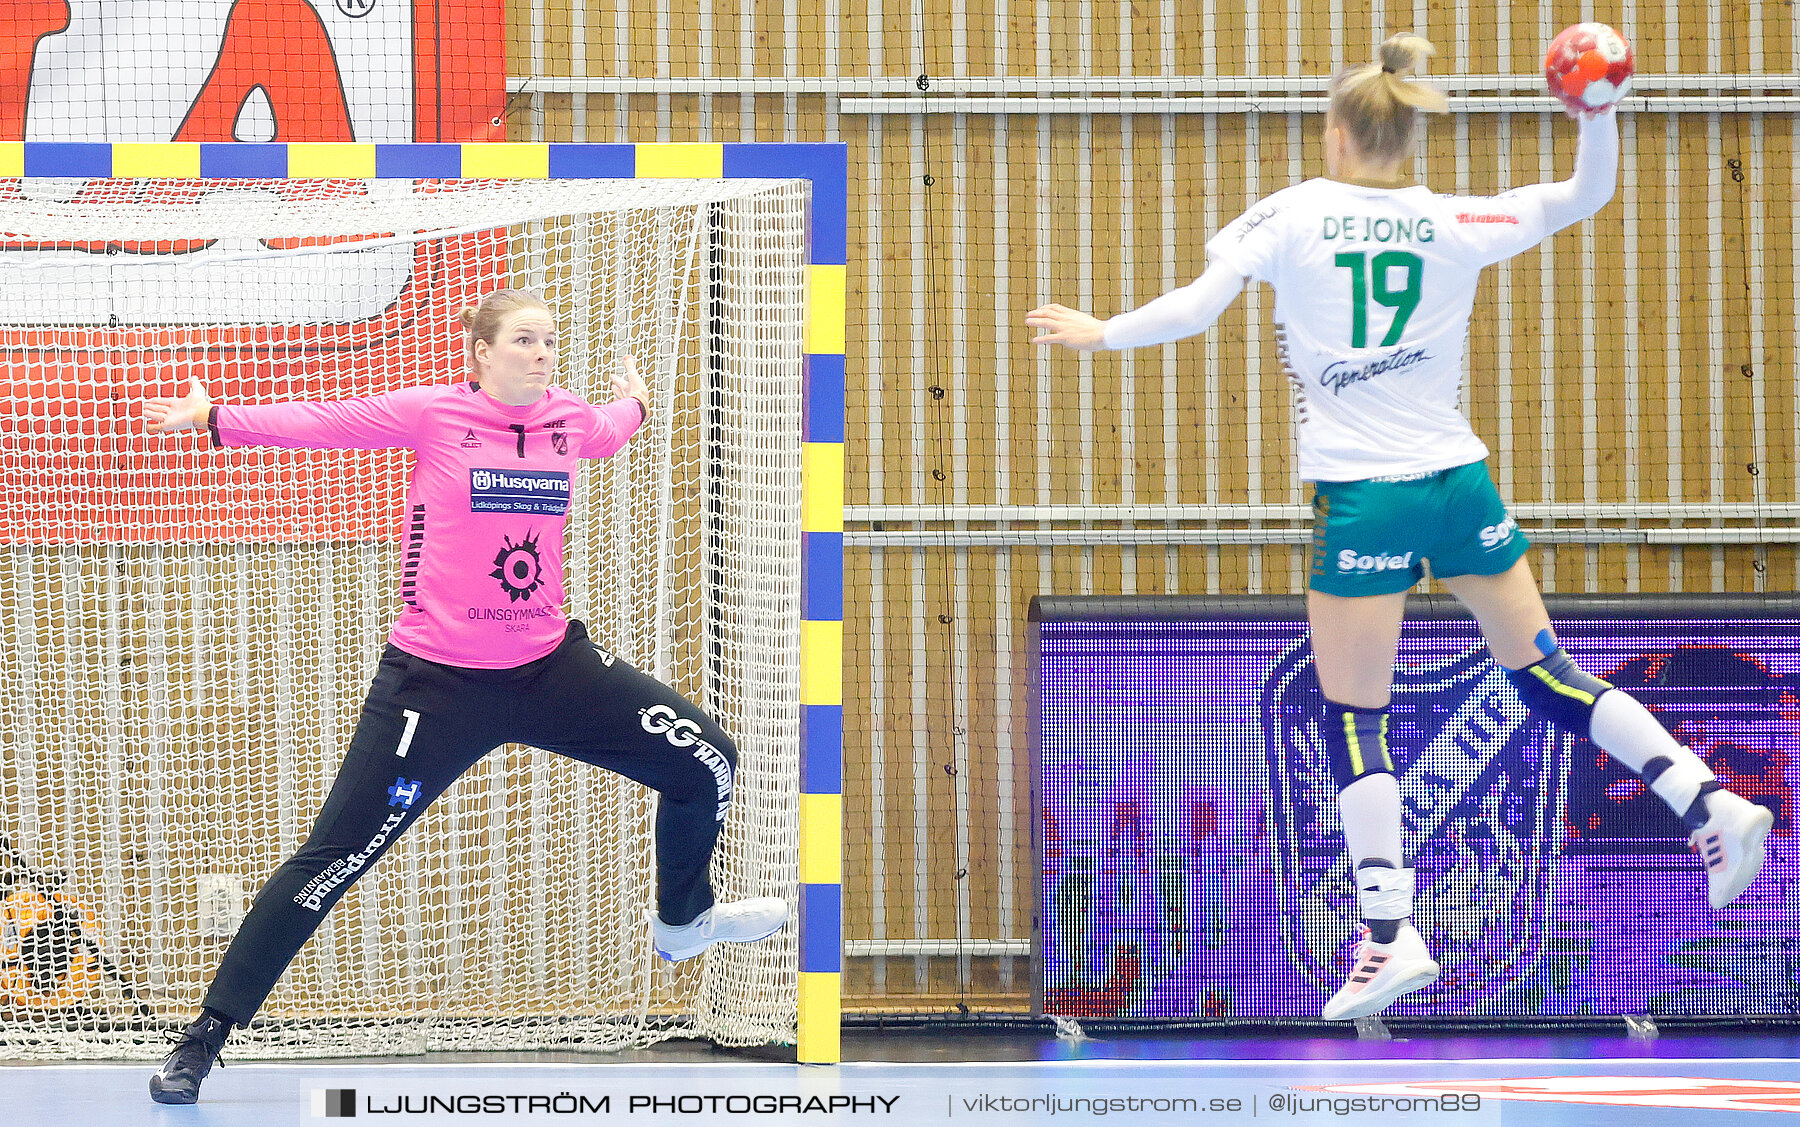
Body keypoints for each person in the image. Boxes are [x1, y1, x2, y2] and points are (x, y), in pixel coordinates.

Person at [1026, 34, 1774, 1022]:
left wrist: (1100, 332)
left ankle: (1390, 933)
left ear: (1337, 131)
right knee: (1545, 673)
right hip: (1459, 480)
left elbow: (1196, 310)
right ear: (1409, 134)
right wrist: (1597, 116)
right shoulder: (1454, 219)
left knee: (1351, 716)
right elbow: (1584, 198)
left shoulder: (1291, 214)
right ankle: (1709, 799)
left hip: (1364, 497)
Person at [138, 289, 787, 1103]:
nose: (543, 353)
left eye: (551, 340)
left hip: (550, 672)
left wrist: (640, 403)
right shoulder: (434, 414)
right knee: (331, 859)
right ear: (481, 352)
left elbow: (612, 429)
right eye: (524, 339)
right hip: (434, 687)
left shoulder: (569, 419)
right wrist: (216, 418)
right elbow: (325, 421)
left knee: (708, 760)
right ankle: (205, 1036)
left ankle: (682, 921)